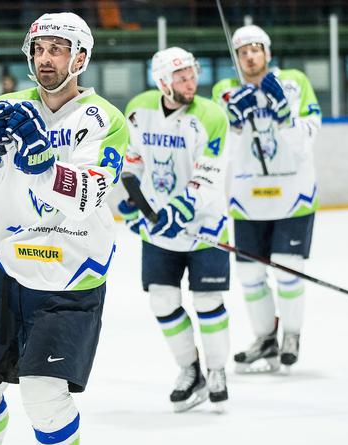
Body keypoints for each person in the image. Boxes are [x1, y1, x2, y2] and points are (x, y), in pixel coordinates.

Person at [0, 12, 127, 444]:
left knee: (45, 399)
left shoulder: (105, 119)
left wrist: (44, 166)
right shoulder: (9, 109)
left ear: (80, 57)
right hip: (9, 271)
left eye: (57, 50)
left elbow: (86, 199)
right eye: (39, 49)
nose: (45, 59)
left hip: (72, 275)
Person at [119, 47, 231, 412]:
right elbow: (133, 161)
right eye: (181, 77)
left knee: (207, 301)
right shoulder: (139, 109)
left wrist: (180, 209)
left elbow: (208, 174)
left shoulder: (211, 115)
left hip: (206, 226)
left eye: (192, 74)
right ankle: (190, 370)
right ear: (163, 81)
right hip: (160, 230)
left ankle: (216, 371)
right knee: (163, 300)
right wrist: (132, 199)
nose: (190, 82)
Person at [211, 25, 321, 373]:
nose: (249, 56)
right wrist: (233, 121)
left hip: (294, 194)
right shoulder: (225, 90)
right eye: (242, 51)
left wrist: (285, 116)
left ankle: (291, 335)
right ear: (236, 58)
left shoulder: (294, 82)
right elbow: (219, 145)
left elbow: (310, 134)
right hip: (247, 198)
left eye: (256, 49)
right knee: (249, 273)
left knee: (289, 270)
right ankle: (264, 338)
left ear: (268, 53)